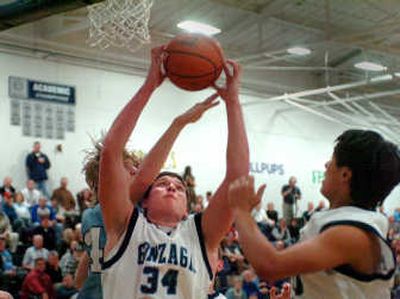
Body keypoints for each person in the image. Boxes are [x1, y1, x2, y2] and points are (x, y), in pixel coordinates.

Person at [99, 46, 249, 298]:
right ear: (144, 200)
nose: (171, 187)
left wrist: (232, 101)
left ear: (188, 208)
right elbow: (111, 151)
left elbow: (238, 176)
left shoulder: (201, 234)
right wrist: (149, 86)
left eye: (179, 188)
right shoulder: (124, 225)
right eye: (162, 184)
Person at [228, 130, 400, 299]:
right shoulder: (344, 223)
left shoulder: (352, 234)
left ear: (345, 174)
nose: (326, 165)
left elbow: (270, 266)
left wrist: (241, 211)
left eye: (332, 161)